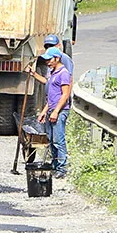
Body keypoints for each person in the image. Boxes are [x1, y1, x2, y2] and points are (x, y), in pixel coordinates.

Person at [36, 46, 72, 178]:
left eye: (49, 60)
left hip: (60, 111)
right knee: (51, 140)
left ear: (57, 58)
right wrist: (44, 111)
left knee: (58, 140)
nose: (47, 62)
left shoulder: (63, 73)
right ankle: (55, 165)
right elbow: (51, 97)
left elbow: (65, 95)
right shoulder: (53, 73)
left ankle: (62, 168)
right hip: (51, 110)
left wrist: (56, 111)